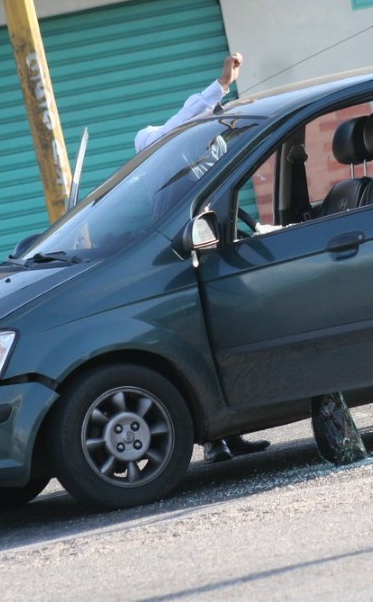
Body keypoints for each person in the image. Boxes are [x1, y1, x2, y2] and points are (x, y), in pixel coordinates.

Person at [133, 52, 270, 463]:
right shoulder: (158, 154)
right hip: (185, 279)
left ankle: (233, 431)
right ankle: (215, 440)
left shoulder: (205, 157)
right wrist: (220, 85)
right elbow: (182, 122)